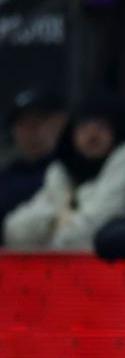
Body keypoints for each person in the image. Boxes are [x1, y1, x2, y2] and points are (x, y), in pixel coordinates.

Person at [3, 92, 125, 251]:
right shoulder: (61, 171)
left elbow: (90, 233)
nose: (92, 136)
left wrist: (58, 226)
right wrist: (55, 219)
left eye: (101, 127)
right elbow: (15, 231)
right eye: (84, 127)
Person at [0, 89, 67, 244]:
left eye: (38, 122)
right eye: (22, 124)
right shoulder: (8, 174)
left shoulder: (72, 171)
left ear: (61, 122)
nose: (30, 132)